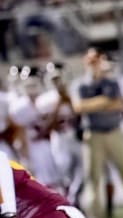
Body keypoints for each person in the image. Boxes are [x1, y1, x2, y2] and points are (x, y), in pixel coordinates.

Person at [73, 49, 123, 218]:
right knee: (93, 177)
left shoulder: (111, 82)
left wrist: (93, 104)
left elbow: (117, 104)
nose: (94, 66)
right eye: (91, 62)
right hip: (93, 134)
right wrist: (104, 101)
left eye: (96, 62)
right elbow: (79, 107)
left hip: (113, 131)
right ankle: (95, 214)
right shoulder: (80, 84)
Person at [37, 63, 84, 207]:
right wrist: (58, 105)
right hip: (59, 138)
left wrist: (68, 100)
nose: (57, 82)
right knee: (64, 171)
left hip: (76, 136)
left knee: (83, 170)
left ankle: (74, 198)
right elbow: (46, 127)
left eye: (59, 77)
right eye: (54, 78)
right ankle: (69, 202)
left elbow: (81, 115)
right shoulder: (44, 100)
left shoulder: (75, 92)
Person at [10, 67, 63, 191]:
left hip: (51, 142)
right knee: (40, 179)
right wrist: (24, 154)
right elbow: (20, 133)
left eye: (34, 84)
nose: (31, 88)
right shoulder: (19, 107)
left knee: (59, 175)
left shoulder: (47, 101)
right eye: (28, 85)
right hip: (33, 146)